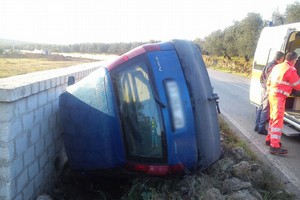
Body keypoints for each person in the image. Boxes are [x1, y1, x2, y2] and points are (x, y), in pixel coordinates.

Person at [266, 51, 300, 155]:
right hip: (279, 98)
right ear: (294, 60)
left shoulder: (277, 66)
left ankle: (269, 139)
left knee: (273, 119)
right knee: (277, 121)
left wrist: (270, 91)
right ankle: (274, 146)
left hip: (272, 95)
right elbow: (297, 85)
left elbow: (269, 80)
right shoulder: (290, 69)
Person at [255, 51, 285, 135]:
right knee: (265, 108)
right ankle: (261, 128)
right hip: (267, 89)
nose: (283, 60)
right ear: (280, 58)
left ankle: (257, 125)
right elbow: (271, 79)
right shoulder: (274, 66)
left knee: (261, 106)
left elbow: (262, 76)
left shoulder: (269, 64)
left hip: (263, 87)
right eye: (283, 59)